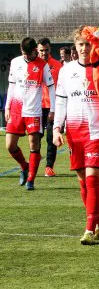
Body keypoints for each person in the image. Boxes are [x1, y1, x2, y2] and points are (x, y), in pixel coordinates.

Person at [52, 26, 99, 245]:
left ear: (95, 45)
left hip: (97, 131)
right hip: (74, 132)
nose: (84, 48)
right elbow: (61, 100)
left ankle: (88, 229)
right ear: (75, 47)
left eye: (88, 43)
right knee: (83, 181)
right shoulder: (66, 70)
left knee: (92, 179)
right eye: (81, 44)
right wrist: (56, 128)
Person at [5, 37, 55, 190]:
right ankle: (24, 166)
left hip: (33, 111)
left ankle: (31, 180)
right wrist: (7, 107)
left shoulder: (43, 66)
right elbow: (12, 86)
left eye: (29, 53)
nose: (26, 56)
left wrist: (53, 109)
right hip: (16, 109)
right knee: (10, 145)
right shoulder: (15, 63)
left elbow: (51, 88)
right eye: (23, 53)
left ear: (35, 51)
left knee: (34, 144)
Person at [37, 38, 63, 177]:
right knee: (36, 137)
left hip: (53, 107)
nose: (44, 53)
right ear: (37, 50)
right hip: (37, 107)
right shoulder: (34, 65)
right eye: (41, 50)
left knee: (51, 138)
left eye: (46, 50)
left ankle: (49, 166)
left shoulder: (58, 66)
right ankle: (34, 162)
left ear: (50, 49)